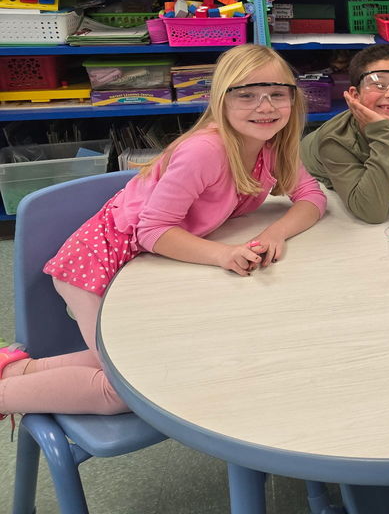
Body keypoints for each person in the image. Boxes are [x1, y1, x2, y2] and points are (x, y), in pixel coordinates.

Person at [0, 44, 327, 418]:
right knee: (127, 389)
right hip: (98, 263)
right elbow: (152, 231)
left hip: (150, 262)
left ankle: (14, 370)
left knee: (140, 357)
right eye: (247, 95)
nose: (265, 107)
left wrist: (275, 234)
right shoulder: (205, 151)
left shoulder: (273, 143)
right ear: (221, 100)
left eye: (277, 94)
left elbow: (312, 196)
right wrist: (224, 254)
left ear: (293, 99)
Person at [301, 43, 389, 224]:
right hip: (310, 168)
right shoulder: (334, 138)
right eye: (379, 84)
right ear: (355, 95)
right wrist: (383, 134)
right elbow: (372, 212)